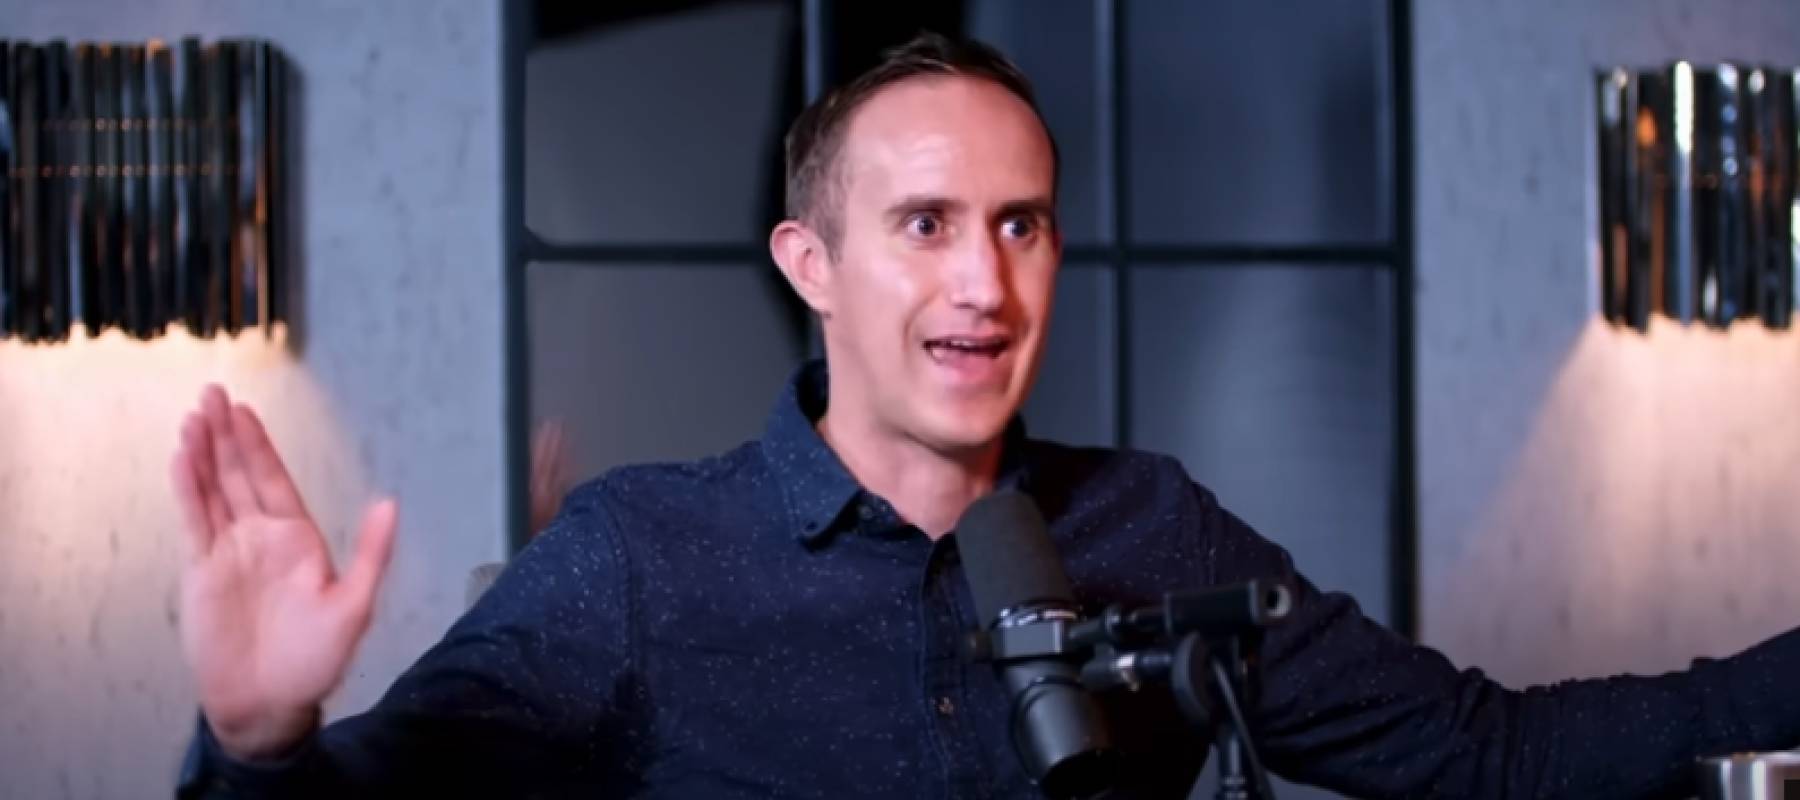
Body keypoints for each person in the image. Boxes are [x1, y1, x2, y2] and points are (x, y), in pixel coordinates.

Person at [171, 33, 1800, 799]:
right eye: (928, 224)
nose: (987, 283)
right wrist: (254, 740)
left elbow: (1484, 752)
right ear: (810, 263)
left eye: (1021, 225)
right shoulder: (636, 559)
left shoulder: (1153, 526)